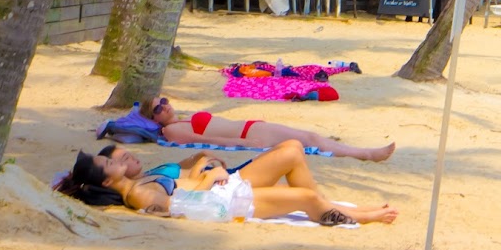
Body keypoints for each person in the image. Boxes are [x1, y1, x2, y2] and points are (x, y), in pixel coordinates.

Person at [58, 141, 397, 225]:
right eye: (107, 162)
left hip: (223, 192)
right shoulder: (136, 194)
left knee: (294, 162)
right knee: (305, 197)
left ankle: (339, 209)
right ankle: (362, 216)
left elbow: (177, 196)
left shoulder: (136, 185)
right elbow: (172, 210)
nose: (115, 160)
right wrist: (208, 181)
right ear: (105, 178)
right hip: (225, 203)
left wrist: (204, 174)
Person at [106, 96, 395, 161]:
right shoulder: (171, 132)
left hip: (252, 128)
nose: (165, 107)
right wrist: (246, 144)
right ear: (154, 120)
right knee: (310, 139)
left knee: (311, 137)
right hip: (249, 136)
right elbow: (206, 140)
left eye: (164, 101)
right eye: (158, 108)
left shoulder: (179, 119)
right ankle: (366, 154)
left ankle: (364, 153)